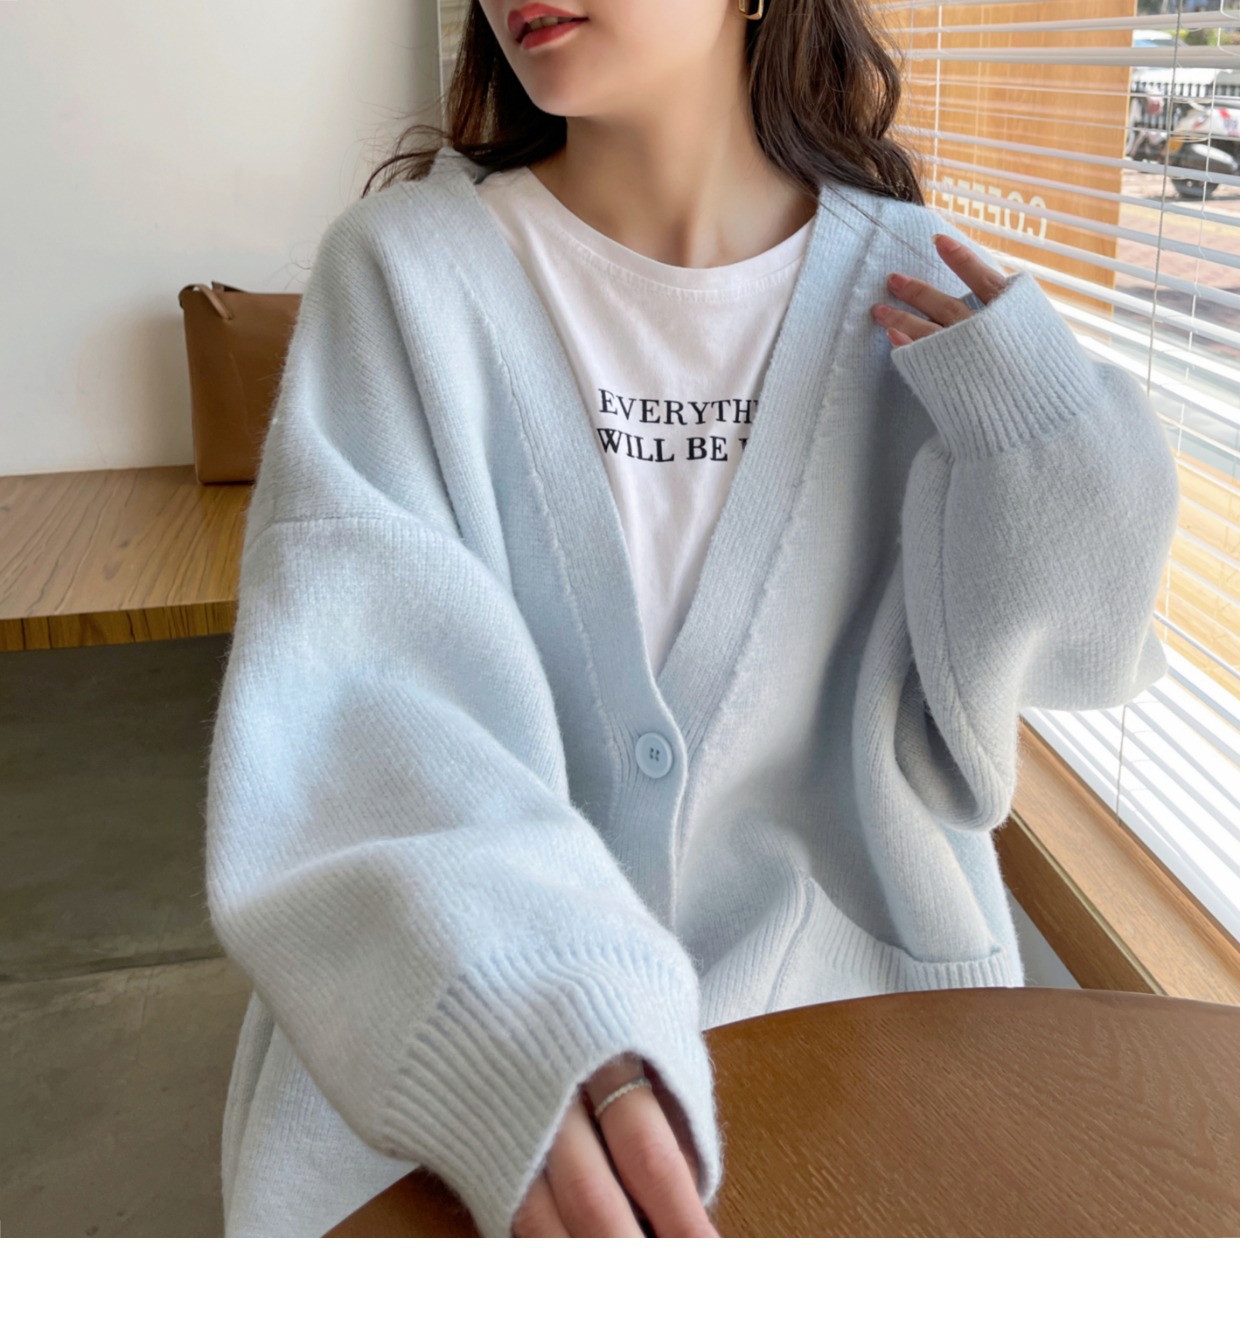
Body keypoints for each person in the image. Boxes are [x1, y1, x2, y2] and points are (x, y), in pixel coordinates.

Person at [204, 0, 1182, 1238]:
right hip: (471, 1040)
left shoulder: (925, 300)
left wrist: (1052, 443)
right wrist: (523, 999)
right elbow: (356, 720)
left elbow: (1074, 666)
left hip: (859, 1041)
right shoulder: (403, 275)